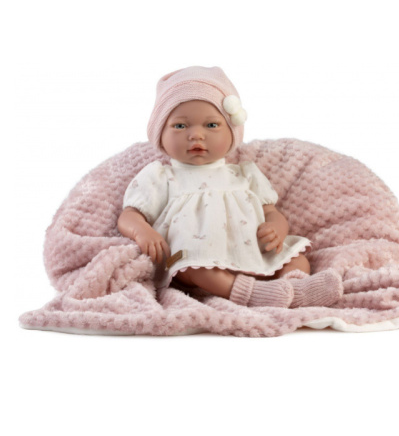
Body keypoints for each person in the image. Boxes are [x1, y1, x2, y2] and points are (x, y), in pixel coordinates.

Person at [117, 66, 343, 308]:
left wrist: (277, 227)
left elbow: (271, 211)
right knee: (195, 265)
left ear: (232, 132)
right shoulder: (161, 175)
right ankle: (252, 295)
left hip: (253, 252)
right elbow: (129, 215)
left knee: (295, 257)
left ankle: (294, 289)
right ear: (160, 134)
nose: (196, 135)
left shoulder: (244, 173)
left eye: (211, 125)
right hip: (196, 259)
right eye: (180, 126)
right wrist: (142, 231)